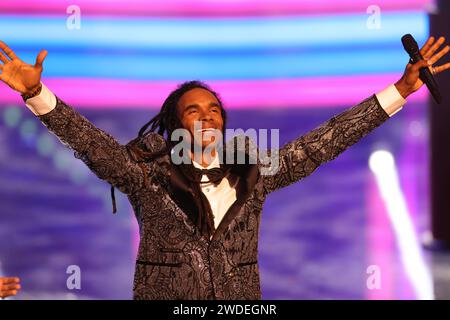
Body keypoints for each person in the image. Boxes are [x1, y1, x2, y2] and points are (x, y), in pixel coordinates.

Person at [0, 36, 449, 300]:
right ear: (176, 124)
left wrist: (398, 92)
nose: (209, 114)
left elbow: (323, 142)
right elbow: (92, 145)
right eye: (195, 110)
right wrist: (38, 95)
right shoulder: (147, 171)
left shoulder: (252, 169)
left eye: (214, 108)